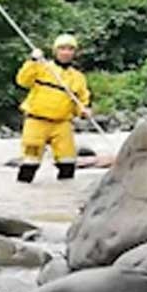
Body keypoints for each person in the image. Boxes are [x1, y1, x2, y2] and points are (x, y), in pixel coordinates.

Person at [15, 33, 90, 183]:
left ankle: (64, 198)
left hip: (62, 124)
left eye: (70, 49)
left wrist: (84, 110)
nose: (66, 52)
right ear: (55, 51)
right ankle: (23, 195)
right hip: (36, 121)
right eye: (62, 49)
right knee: (30, 162)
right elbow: (22, 81)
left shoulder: (78, 77)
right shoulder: (42, 67)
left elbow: (82, 101)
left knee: (68, 162)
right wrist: (32, 61)